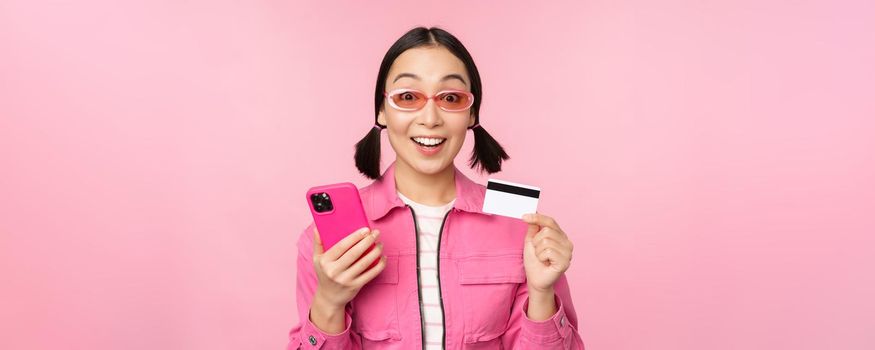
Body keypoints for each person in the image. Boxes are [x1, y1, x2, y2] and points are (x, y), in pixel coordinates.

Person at [286, 26, 585, 349]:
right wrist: (329, 302)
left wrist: (542, 295)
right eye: (408, 97)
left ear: (471, 113)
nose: (430, 118)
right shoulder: (326, 241)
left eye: (451, 98)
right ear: (382, 111)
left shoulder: (519, 218)